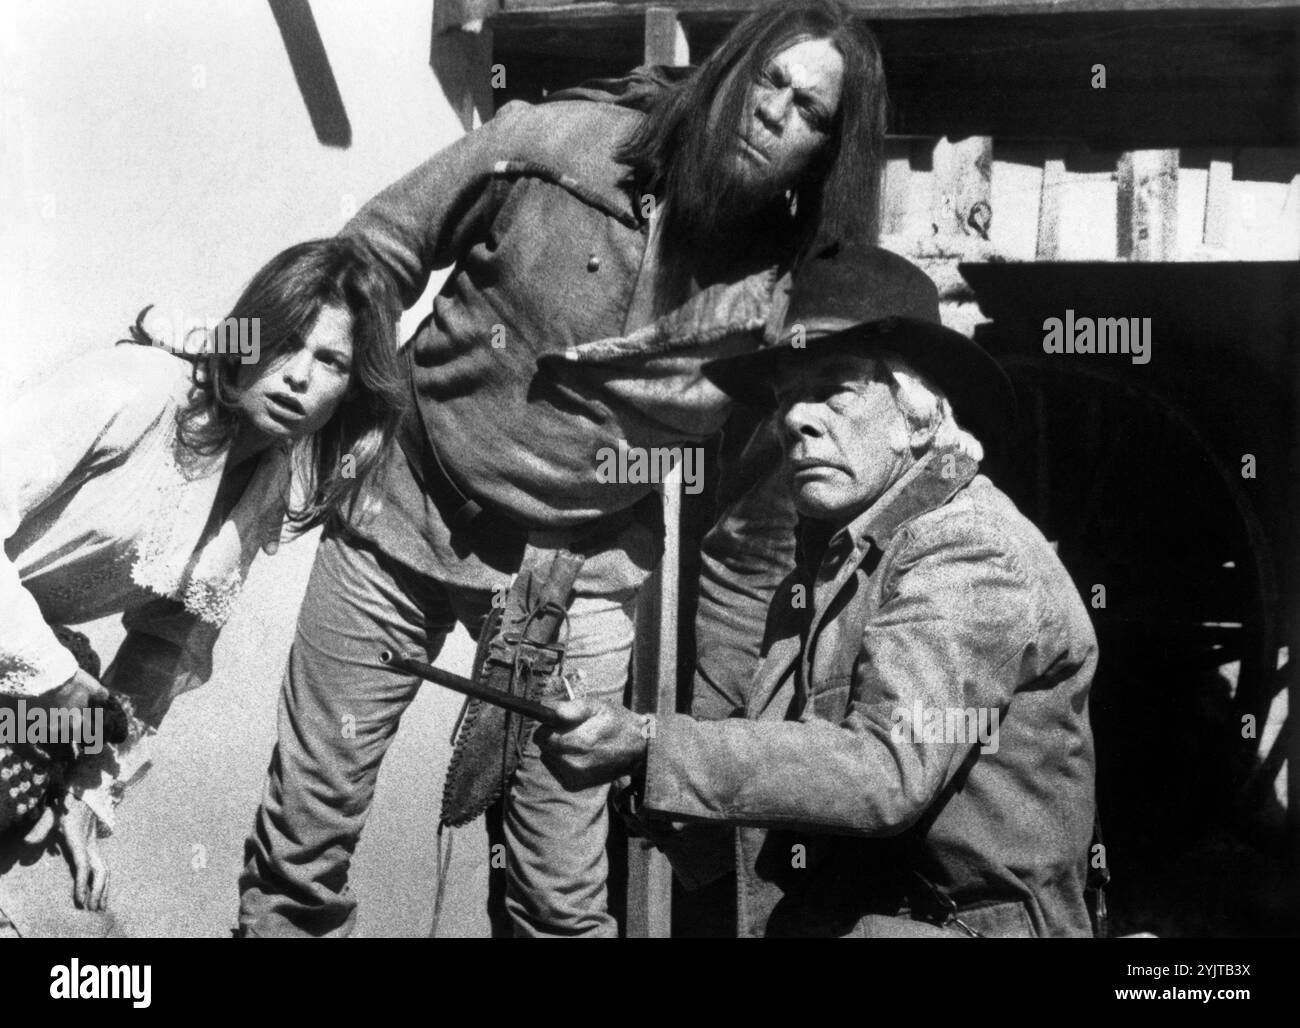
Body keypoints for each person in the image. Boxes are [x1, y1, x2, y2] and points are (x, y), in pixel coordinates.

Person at [238, 0, 889, 937]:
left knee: (560, 903)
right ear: (729, 77)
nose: (776, 113)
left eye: (811, 111)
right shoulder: (555, 145)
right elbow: (375, 254)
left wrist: (688, 750)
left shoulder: (786, 305)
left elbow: (746, 547)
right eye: (766, 81)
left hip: (572, 576)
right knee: (301, 848)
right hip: (404, 511)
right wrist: (335, 418)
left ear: (826, 153)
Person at [537, 241, 1099, 938]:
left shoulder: (966, 547)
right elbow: (789, 792)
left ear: (916, 416)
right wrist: (643, 788)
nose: (797, 420)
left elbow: (884, 772)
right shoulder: (828, 570)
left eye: (833, 388)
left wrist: (656, 745)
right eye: (787, 398)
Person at [0, 236, 407, 911]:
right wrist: (56, 679)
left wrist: (87, 792)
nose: (299, 376)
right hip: (25, 667)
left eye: (330, 360)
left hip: (19, 691)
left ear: (349, 392)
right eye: (285, 343)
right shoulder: (135, 390)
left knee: (82, 940)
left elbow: (160, 653)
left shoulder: (263, 484)